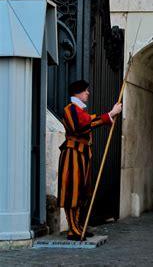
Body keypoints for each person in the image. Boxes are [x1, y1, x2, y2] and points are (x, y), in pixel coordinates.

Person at [57, 79, 122, 241]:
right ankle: (72, 228)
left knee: (81, 192)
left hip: (82, 155)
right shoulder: (70, 109)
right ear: (77, 93)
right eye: (85, 90)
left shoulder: (79, 110)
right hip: (73, 154)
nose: (88, 93)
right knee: (72, 191)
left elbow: (89, 122)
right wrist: (110, 114)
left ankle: (78, 226)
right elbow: (82, 126)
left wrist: (109, 115)